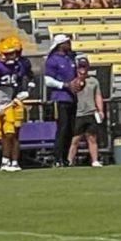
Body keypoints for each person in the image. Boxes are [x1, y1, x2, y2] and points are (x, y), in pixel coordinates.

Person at [0, 36, 32, 172]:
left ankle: (7, 162)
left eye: (12, 53)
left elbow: (26, 77)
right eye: (8, 54)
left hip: (9, 102)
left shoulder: (17, 65)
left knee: (10, 133)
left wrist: (25, 91)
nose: (11, 56)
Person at [43, 33, 79, 166]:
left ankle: (65, 158)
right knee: (62, 128)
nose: (69, 45)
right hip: (60, 98)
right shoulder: (53, 60)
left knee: (70, 129)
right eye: (67, 43)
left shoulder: (70, 58)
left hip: (71, 98)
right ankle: (57, 158)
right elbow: (48, 80)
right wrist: (65, 85)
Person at [67, 57, 105, 167]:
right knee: (75, 139)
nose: (82, 69)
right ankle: (69, 160)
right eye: (80, 67)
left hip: (91, 112)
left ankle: (95, 160)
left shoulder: (93, 81)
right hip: (78, 114)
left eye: (84, 66)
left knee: (92, 138)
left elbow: (98, 96)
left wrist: (100, 110)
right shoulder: (73, 81)